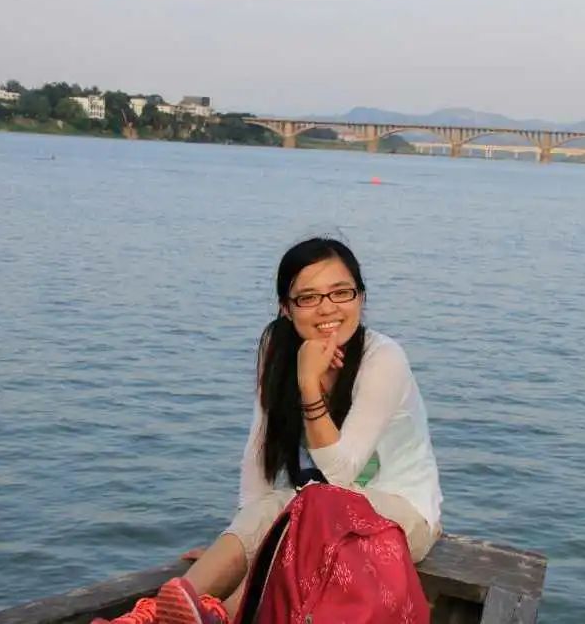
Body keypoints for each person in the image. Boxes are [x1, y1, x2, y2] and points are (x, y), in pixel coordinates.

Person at [97, 237, 443, 624]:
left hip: (401, 516)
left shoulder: (383, 358)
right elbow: (260, 450)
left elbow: (341, 475)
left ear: (361, 298)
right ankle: (152, 615)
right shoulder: (277, 348)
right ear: (286, 307)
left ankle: (220, 615)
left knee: (307, 508)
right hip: (310, 513)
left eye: (341, 292)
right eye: (308, 297)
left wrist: (308, 383)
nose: (327, 307)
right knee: (281, 510)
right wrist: (239, 541)